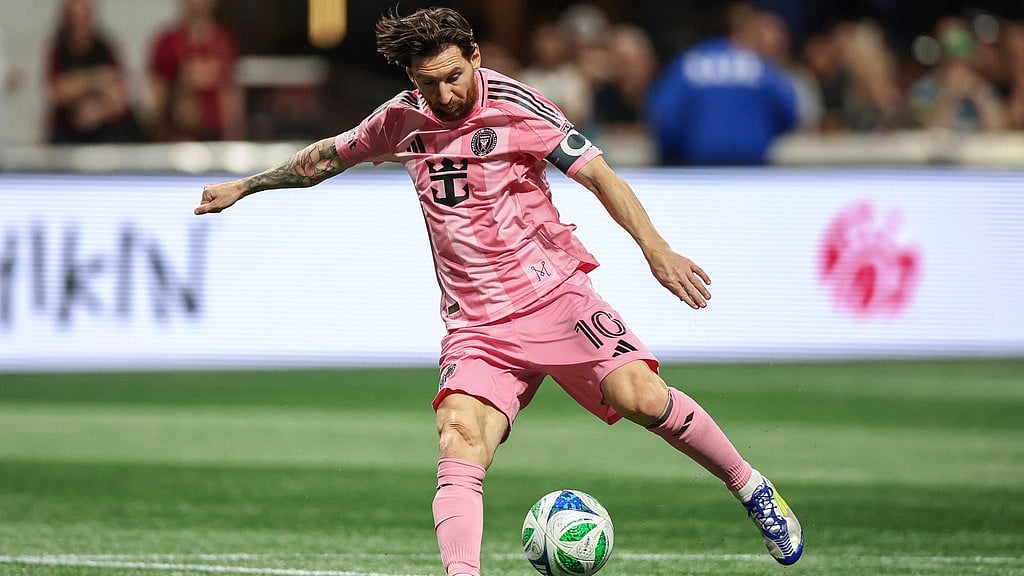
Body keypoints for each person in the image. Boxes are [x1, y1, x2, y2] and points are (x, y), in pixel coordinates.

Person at [194, 7, 804, 576]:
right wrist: (247, 186)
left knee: (643, 397)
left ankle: (751, 488)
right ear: (412, 77)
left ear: (476, 57)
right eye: (429, 82)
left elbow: (599, 176)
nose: (445, 94)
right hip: (478, 326)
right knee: (459, 434)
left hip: (556, 297)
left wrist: (655, 249)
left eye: (454, 77)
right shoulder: (402, 119)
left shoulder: (518, 107)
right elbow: (330, 156)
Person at [647, 2, 799, 165]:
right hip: (753, 172)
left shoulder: (686, 64)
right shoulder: (758, 65)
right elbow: (791, 112)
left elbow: (663, 119)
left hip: (697, 172)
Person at [44, 0, 141, 143]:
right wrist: (95, 79)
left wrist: (97, 112)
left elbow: (121, 96)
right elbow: (58, 92)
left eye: (84, 16)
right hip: (67, 135)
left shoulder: (105, 48)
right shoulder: (59, 50)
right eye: (75, 17)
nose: (80, 23)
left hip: (106, 134)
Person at [147, 0, 244, 141]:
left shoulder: (226, 39)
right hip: (180, 133)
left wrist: (236, 133)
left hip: (217, 132)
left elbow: (232, 92)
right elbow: (157, 92)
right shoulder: (167, 42)